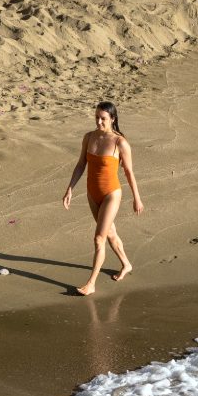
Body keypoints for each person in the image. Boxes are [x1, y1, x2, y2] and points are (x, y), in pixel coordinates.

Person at [62, 100, 144, 296]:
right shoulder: (89, 137)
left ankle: (91, 284)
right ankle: (126, 264)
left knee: (99, 238)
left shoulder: (120, 142)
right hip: (92, 193)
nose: (99, 122)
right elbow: (81, 164)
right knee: (110, 233)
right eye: (97, 117)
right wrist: (70, 189)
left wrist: (137, 198)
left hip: (111, 194)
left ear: (113, 119)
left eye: (103, 119)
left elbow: (129, 172)